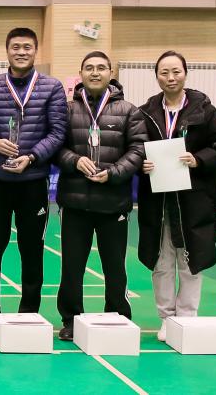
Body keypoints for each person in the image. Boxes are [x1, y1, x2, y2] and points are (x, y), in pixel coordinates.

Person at [138, 50, 216, 340]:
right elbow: (134, 147)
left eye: (176, 71)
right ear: (157, 76)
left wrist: (199, 159)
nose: (170, 77)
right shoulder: (146, 112)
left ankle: (187, 318)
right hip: (158, 200)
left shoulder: (204, 110)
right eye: (164, 72)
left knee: (191, 259)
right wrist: (141, 163)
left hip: (194, 199)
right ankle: (166, 318)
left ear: (185, 74)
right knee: (161, 260)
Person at [0, 27, 67, 339]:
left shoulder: (52, 87)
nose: (21, 52)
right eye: (15, 47)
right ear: (7, 51)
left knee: (32, 249)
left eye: (27, 47)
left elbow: (58, 131)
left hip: (33, 182)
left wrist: (31, 157)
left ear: (35, 51)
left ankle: (28, 313)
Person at [54, 51, 146, 341]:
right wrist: (74, 160)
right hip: (74, 202)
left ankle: (117, 315)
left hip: (113, 203)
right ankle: (71, 319)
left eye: (101, 68)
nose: (95, 72)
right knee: (72, 267)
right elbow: (56, 147)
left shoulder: (129, 111)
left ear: (110, 73)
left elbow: (138, 149)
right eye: (89, 68)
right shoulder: (66, 110)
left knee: (115, 267)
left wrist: (114, 172)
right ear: (81, 73)